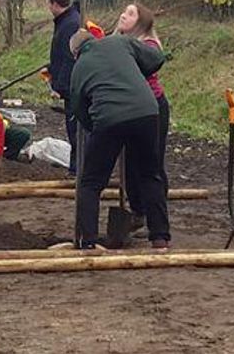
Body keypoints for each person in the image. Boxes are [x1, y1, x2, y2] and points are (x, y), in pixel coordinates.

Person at [69, 30, 168, 249]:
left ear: (76, 53)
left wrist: (93, 126)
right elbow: (157, 58)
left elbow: (77, 106)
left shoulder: (80, 67)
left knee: (90, 183)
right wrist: (134, 72)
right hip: (147, 112)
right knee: (150, 175)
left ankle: (88, 241)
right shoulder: (121, 43)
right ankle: (160, 237)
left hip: (108, 119)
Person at [114, 3, 170, 225]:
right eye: (124, 12)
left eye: (130, 14)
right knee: (128, 162)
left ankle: (156, 213)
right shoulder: (119, 42)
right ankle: (137, 209)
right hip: (126, 108)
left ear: (141, 21)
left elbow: (141, 66)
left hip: (152, 107)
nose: (123, 16)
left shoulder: (149, 45)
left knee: (151, 162)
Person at [46, 0, 81, 174]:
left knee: (75, 128)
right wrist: (51, 69)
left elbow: (69, 58)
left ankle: (77, 170)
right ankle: (76, 168)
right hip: (69, 84)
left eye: (49, 4)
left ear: (54, 4)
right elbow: (60, 55)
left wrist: (59, 87)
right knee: (72, 127)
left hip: (73, 87)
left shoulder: (69, 24)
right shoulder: (66, 21)